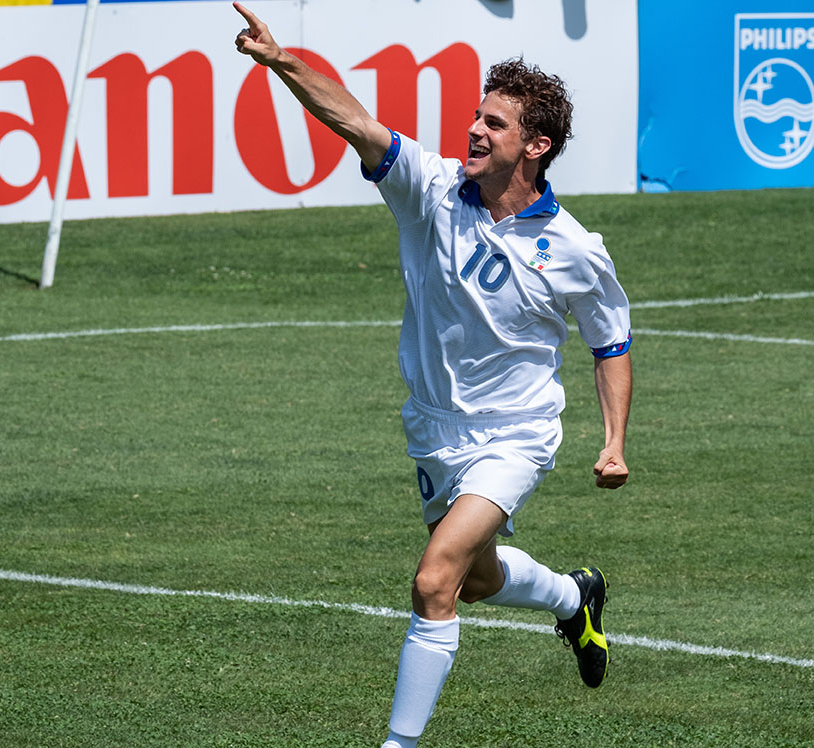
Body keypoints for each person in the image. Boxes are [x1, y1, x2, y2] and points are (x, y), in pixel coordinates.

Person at [233, 4, 633, 746]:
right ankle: (573, 597)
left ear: (536, 146)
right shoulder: (431, 189)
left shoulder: (575, 249)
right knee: (475, 580)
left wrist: (613, 442)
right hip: (434, 428)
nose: (474, 130)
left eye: (494, 124)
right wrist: (280, 60)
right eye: (477, 117)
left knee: (434, 580)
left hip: (515, 436)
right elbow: (355, 122)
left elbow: (611, 343)